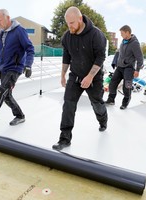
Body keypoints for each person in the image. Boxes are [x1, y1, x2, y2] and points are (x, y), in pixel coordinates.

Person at [52, 6, 108, 151]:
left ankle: (103, 120)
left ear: (80, 19)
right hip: (75, 75)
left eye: (72, 23)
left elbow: (101, 57)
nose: (69, 26)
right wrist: (63, 74)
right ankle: (64, 138)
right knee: (68, 104)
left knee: (96, 103)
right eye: (67, 23)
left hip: (94, 77)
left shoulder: (96, 35)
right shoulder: (67, 36)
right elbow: (66, 56)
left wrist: (90, 76)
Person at [105, 25, 144, 109]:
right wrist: (115, 62)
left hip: (129, 68)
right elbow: (120, 53)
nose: (121, 35)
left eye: (122, 33)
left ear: (127, 32)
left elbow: (140, 58)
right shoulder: (123, 41)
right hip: (120, 67)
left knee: (127, 87)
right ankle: (111, 100)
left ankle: (125, 103)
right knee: (112, 83)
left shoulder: (135, 43)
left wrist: (137, 70)